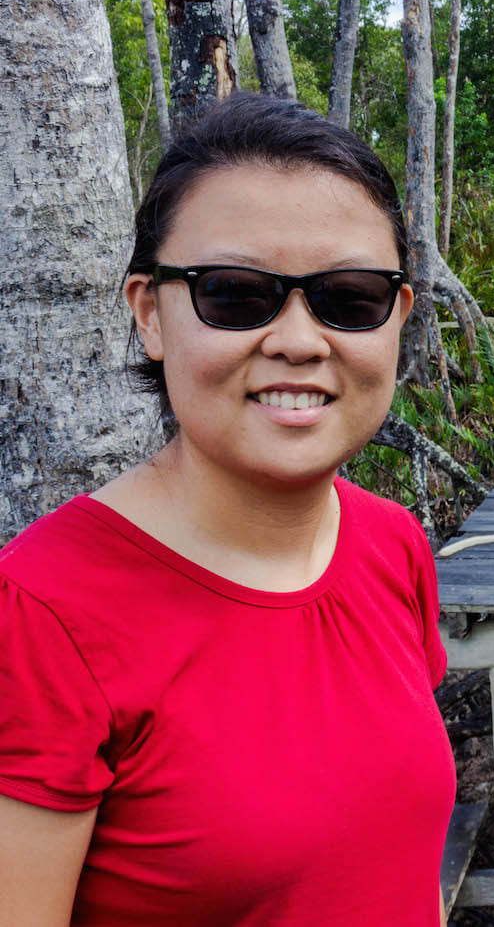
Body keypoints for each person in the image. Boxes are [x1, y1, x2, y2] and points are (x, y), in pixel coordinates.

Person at [0, 94, 455, 926]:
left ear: (397, 319)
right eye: (236, 294)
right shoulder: (41, 612)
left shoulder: (393, 547)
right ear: (151, 314)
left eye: (349, 297)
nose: (298, 339)